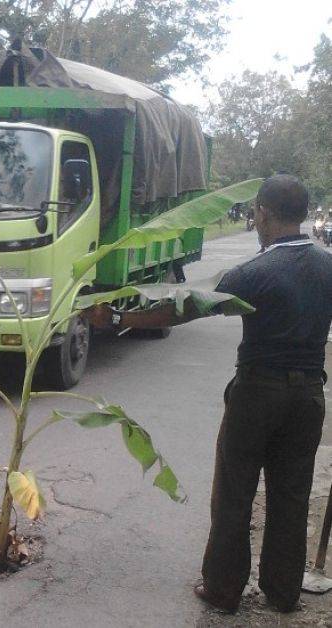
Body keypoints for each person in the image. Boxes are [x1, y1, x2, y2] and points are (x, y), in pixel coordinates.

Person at [86, 174, 332, 614]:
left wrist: (121, 317)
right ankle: (282, 593)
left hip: (257, 393)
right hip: (310, 397)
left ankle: (222, 589)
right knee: (291, 495)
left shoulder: (254, 272)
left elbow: (185, 308)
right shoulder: (327, 266)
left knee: (235, 491)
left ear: (261, 212)